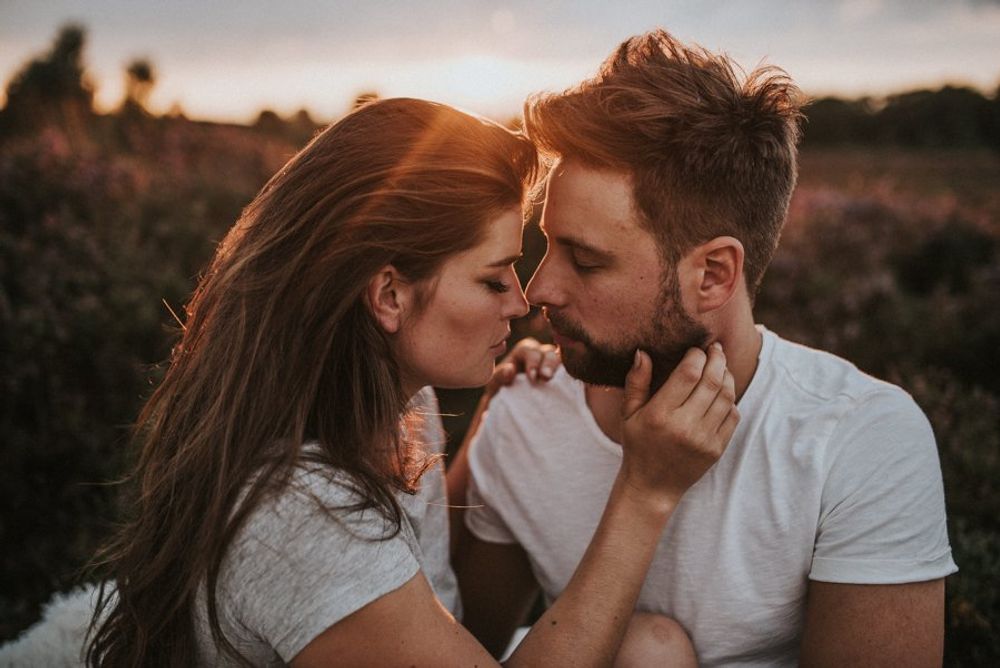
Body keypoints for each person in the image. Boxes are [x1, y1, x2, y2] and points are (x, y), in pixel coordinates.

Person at [82, 97, 739, 667]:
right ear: (389, 295)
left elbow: (429, 603)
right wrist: (645, 492)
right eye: (493, 278)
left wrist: (495, 421)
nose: (523, 302)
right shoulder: (302, 513)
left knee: (648, 648)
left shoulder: (396, 413)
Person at [455, 30, 958, 666]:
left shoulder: (859, 439)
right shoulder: (527, 411)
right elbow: (462, 650)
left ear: (714, 275)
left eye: (585, 260)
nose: (539, 289)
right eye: (547, 244)